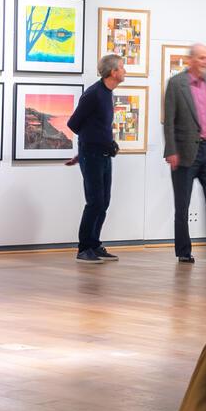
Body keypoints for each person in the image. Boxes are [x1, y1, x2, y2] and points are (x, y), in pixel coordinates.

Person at [163, 42, 206, 263]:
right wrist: (171, 150)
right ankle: (183, 251)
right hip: (184, 152)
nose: (205, 62)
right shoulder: (175, 84)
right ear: (190, 60)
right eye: (201, 58)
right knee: (182, 205)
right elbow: (169, 121)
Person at [66, 54, 126, 264]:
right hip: (92, 155)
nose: (125, 71)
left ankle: (94, 244)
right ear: (113, 72)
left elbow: (97, 125)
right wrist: (86, 149)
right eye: (122, 67)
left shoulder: (107, 93)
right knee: (95, 202)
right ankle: (84, 249)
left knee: (104, 202)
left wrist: (107, 142)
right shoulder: (93, 94)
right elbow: (74, 124)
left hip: (103, 154)